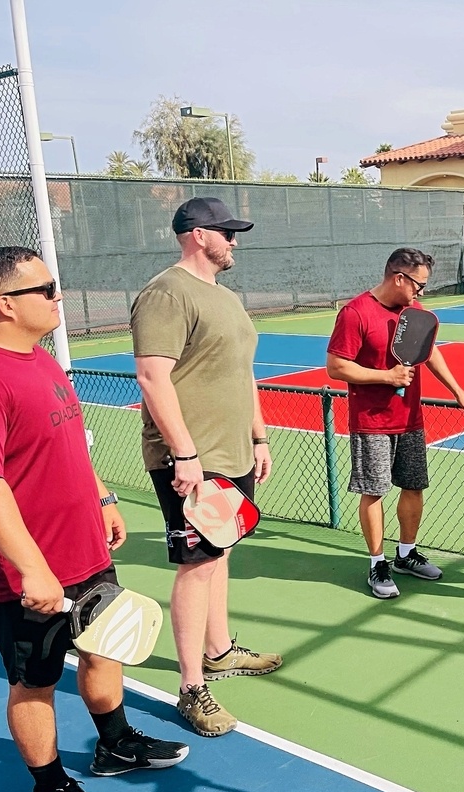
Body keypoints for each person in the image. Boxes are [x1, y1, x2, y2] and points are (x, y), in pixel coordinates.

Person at [0, 247, 188, 792]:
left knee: (104, 646)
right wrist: (33, 570)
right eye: (45, 290)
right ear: (5, 304)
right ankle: (50, 787)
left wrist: (103, 498)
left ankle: (115, 744)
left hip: (83, 548)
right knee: (34, 680)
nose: (57, 296)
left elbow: (66, 442)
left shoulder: (38, 356)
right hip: (21, 574)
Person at [131, 197, 282, 738]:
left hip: (233, 451)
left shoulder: (226, 297)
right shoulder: (166, 294)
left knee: (220, 553)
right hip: (193, 459)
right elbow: (152, 377)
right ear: (198, 235)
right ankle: (192, 685)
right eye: (227, 232)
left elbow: (242, 373)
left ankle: (219, 651)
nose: (235, 241)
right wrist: (185, 454)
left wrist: (259, 435)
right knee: (196, 564)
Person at [326, 247, 464, 599]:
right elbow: (337, 366)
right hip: (370, 422)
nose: (421, 291)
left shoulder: (414, 312)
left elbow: (429, 350)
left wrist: (457, 390)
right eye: (418, 284)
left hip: (410, 420)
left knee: (414, 487)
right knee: (375, 491)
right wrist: (386, 377)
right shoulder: (355, 313)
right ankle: (377, 562)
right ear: (399, 277)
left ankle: (406, 554)